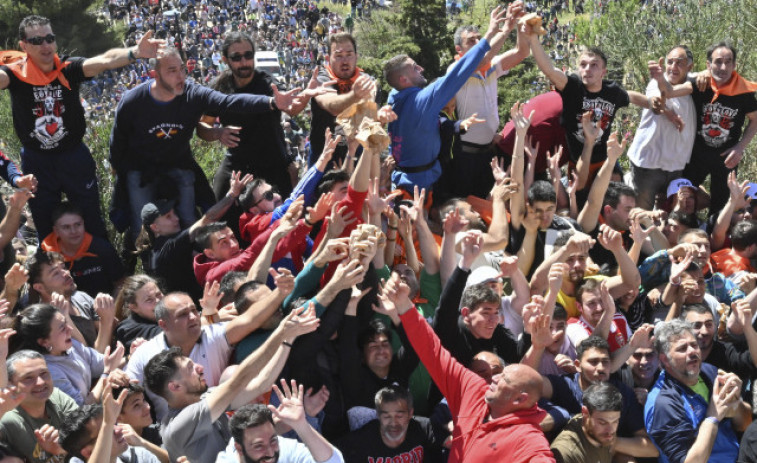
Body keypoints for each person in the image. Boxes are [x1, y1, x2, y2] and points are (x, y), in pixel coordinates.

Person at [109, 46, 301, 242]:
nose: (181, 76)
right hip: (141, 170)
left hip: (179, 164)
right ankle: (140, 263)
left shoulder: (192, 93)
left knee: (192, 221)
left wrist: (270, 102)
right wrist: (117, 169)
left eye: (182, 69)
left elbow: (229, 101)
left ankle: (192, 262)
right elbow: (117, 141)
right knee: (141, 226)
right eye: (172, 71)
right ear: (154, 74)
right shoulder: (133, 102)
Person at [0, 15, 163, 240]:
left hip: (73, 155)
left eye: (50, 38)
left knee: (91, 220)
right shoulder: (16, 74)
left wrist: (134, 52)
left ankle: (103, 266)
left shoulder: (67, 68)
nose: (46, 45)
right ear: (24, 46)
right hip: (37, 161)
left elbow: (104, 60)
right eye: (37, 41)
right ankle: (52, 270)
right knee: (46, 225)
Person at [380, 272, 555, 462]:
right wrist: (404, 305)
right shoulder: (473, 390)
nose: (494, 378)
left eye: (503, 378)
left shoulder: (528, 439)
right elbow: (432, 351)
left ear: (520, 399)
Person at [143, 305, 318, 462]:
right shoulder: (178, 426)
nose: (199, 367)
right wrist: (280, 333)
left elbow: (261, 384)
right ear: (175, 387)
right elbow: (238, 380)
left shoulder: (206, 396)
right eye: (190, 368)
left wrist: (289, 339)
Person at [383, 6, 510, 192]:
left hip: (402, 178)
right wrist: (489, 34)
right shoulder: (421, 102)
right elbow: (459, 71)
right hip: (419, 185)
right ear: (403, 79)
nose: (421, 68)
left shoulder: (394, 97)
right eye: (414, 67)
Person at [126, 282, 294, 421]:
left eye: (194, 310)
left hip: (228, 423)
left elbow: (251, 320)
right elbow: (126, 395)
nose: (193, 317)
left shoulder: (214, 335)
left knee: (232, 373)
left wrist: (280, 292)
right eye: (183, 314)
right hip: (180, 438)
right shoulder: (144, 355)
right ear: (163, 325)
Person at [652, 42, 757, 215]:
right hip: (696, 155)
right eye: (718, 61)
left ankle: (711, 238)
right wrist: (660, 78)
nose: (723, 67)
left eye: (728, 62)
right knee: (679, 199)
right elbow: (670, 91)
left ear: (734, 65)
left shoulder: (743, 92)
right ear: (708, 65)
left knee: (720, 208)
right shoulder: (700, 83)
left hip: (726, 158)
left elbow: (755, 120)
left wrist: (740, 147)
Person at [449, 1, 529, 199]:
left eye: (479, 38)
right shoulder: (456, 70)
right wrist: (504, 30)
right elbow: (480, 60)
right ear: (459, 50)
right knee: (466, 203)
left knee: (488, 203)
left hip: (488, 151)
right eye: (471, 41)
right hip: (465, 154)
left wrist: (520, 23)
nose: (478, 43)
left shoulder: (490, 66)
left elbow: (522, 52)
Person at [645, 319, 752, 462]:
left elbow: (745, 424)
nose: (692, 352)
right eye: (682, 348)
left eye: (694, 345)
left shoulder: (709, 371)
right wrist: (712, 418)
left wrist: (736, 402)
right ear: (665, 359)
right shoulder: (664, 404)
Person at [627, 46, 696, 210]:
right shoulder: (655, 83)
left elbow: (707, 75)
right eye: (670, 62)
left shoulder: (692, 83)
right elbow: (656, 102)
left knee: (669, 213)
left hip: (676, 166)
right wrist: (665, 109)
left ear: (690, 67)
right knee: (643, 214)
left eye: (680, 63)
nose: (673, 67)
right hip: (648, 165)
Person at [308, 32, 374, 168]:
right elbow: (332, 106)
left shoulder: (367, 81)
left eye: (349, 55)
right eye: (338, 56)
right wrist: (355, 96)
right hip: (323, 158)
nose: (345, 61)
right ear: (328, 58)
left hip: (357, 155)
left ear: (356, 57)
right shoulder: (321, 79)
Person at [0, 350, 79, 463]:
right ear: (10, 385)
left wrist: (62, 449)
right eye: (28, 378)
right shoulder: (6, 420)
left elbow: (88, 435)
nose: (40, 382)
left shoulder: (57, 397)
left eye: (44, 373)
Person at [217, 397, 344, 463]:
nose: (270, 452)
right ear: (239, 448)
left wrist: (302, 425)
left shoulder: (285, 447)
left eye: (273, 440)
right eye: (258, 446)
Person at [40, 202, 124, 297]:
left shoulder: (102, 248)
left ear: (83, 224)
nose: (73, 231)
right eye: (66, 227)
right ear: (56, 231)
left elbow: (120, 284)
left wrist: (113, 307)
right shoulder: (48, 256)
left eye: (78, 225)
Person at [337, 386, 441, 463]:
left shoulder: (424, 427)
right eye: (386, 416)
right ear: (378, 415)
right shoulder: (361, 440)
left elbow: (451, 440)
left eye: (399, 416)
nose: (393, 423)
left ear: (410, 414)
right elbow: (329, 454)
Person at [550, 383, 623, 463]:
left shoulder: (606, 433)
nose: (610, 430)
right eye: (602, 423)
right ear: (585, 413)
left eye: (615, 421)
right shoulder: (566, 453)